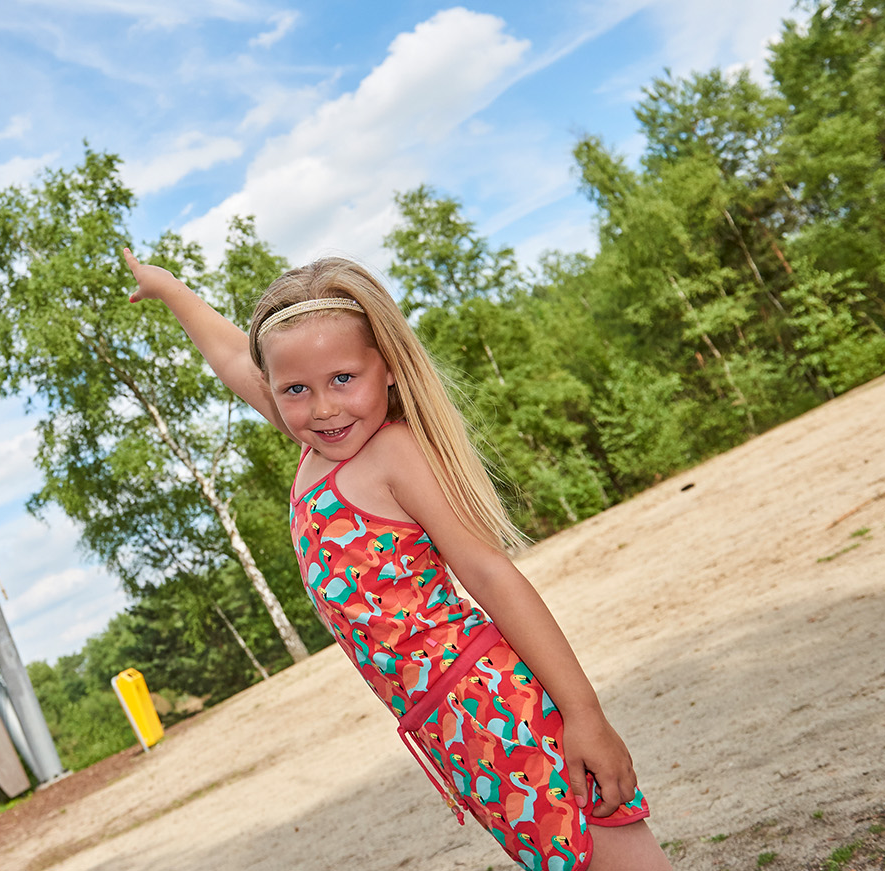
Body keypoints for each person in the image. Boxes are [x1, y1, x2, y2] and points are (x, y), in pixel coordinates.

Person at [122, 250, 671, 871]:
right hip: (447, 726)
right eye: (295, 389)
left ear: (386, 369)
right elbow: (229, 356)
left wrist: (584, 715)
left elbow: (491, 574)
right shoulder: (317, 447)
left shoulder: (391, 454)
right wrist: (170, 291)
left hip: (495, 702)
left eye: (342, 380)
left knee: (616, 859)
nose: (323, 407)